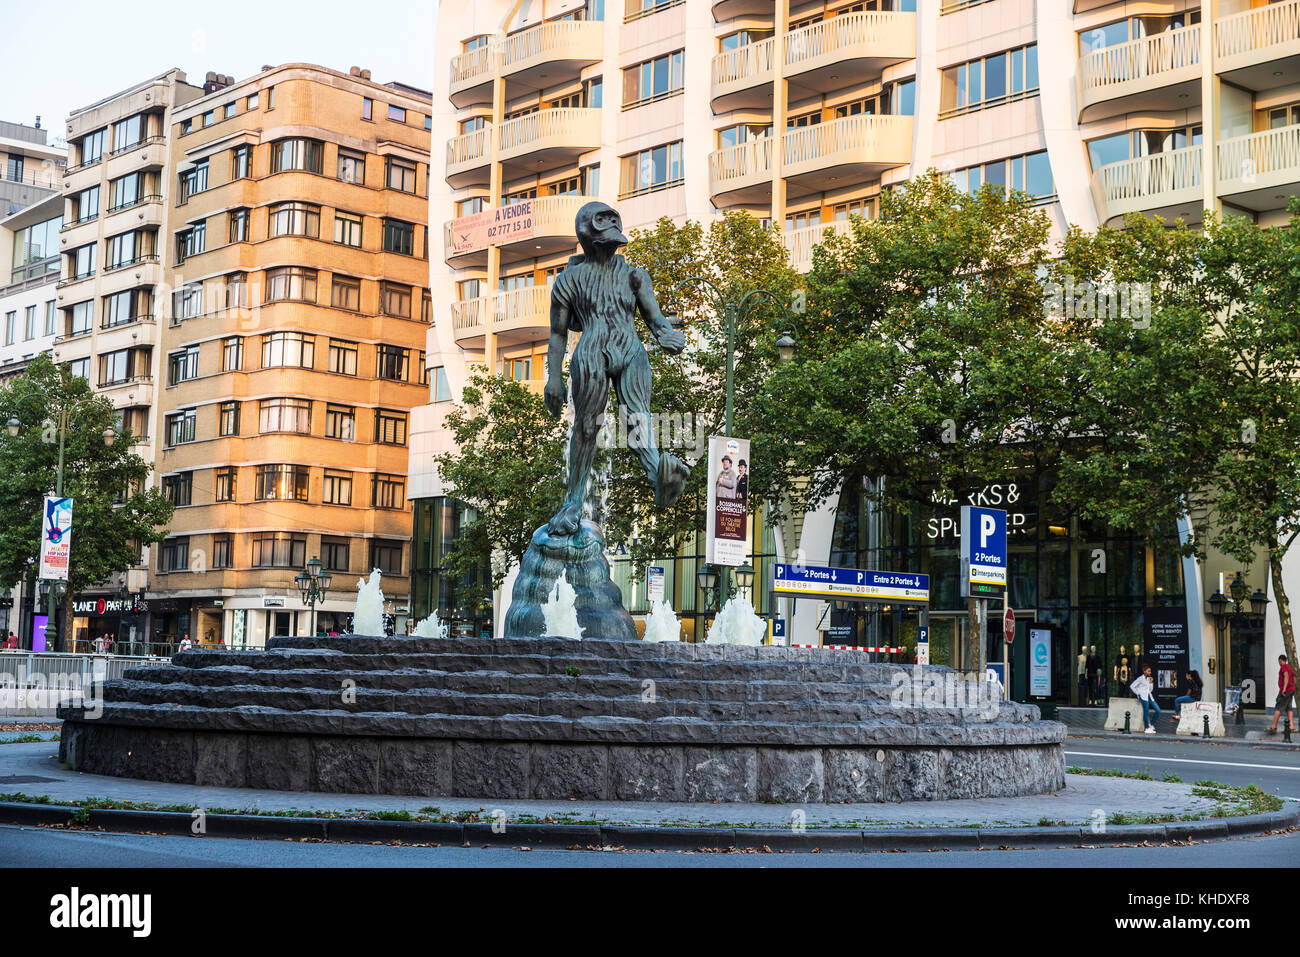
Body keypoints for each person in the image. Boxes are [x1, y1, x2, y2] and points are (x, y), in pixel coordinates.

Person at [1266, 654, 1297, 735]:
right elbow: (1294, 678)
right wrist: (1292, 686)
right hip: (1291, 690)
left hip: (1285, 691)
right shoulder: (1289, 667)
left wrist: (1284, 689)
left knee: (1278, 707)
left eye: (1279, 661)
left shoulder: (1284, 667)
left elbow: (1286, 676)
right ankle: (1291, 727)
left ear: (1280, 660)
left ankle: (1273, 726)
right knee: (1289, 708)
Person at [1130, 663, 1160, 733]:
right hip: (1143, 697)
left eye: (1150, 671)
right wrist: (1138, 693)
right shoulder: (1140, 679)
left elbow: (1150, 690)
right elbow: (1132, 686)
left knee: (1158, 710)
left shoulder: (1149, 679)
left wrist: (1151, 682)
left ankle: (1151, 724)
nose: (1150, 672)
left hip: (1149, 696)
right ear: (1144, 671)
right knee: (1146, 712)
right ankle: (1147, 728)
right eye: (1148, 671)